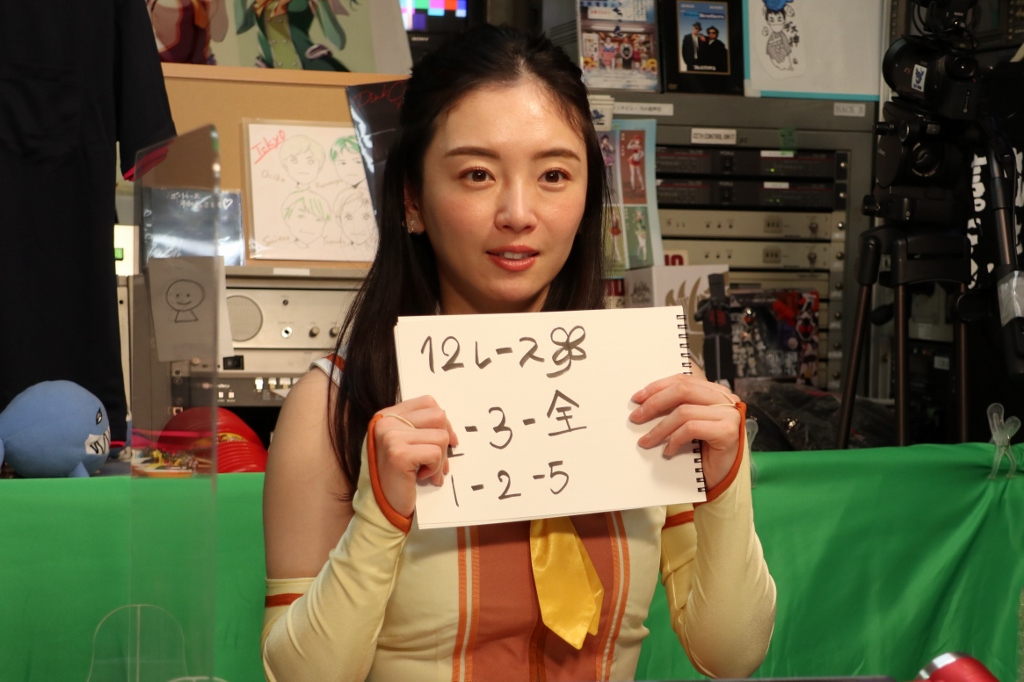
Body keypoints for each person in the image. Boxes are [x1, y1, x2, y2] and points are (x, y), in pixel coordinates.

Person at [261, 24, 775, 681]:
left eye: (554, 174)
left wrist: (726, 482)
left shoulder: (654, 382)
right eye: (477, 174)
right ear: (413, 199)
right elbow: (297, 676)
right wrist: (379, 517)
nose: (518, 212)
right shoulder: (334, 403)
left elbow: (731, 654)